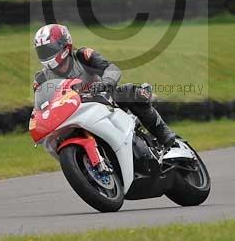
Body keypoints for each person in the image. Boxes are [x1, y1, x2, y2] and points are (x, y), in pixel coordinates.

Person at [32, 23, 177, 148]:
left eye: (49, 50)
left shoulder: (83, 56)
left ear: (65, 45)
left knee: (130, 92)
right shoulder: (41, 78)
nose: (46, 55)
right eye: (42, 52)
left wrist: (106, 83)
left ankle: (164, 133)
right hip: (73, 114)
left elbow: (111, 69)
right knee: (50, 142)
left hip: (104, 100)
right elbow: (40, 106)